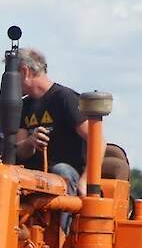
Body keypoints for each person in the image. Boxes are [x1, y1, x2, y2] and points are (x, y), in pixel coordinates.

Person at [13, 48, 105, 197]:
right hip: (34, 178)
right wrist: (31, 141)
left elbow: (98, 141)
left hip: (66, 176)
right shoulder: (24, 106)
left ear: (25, 72)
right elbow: (20, 151)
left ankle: (64, 219)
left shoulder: (65, 98)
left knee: (60, 171)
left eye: (11, 78)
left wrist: (85, 181)